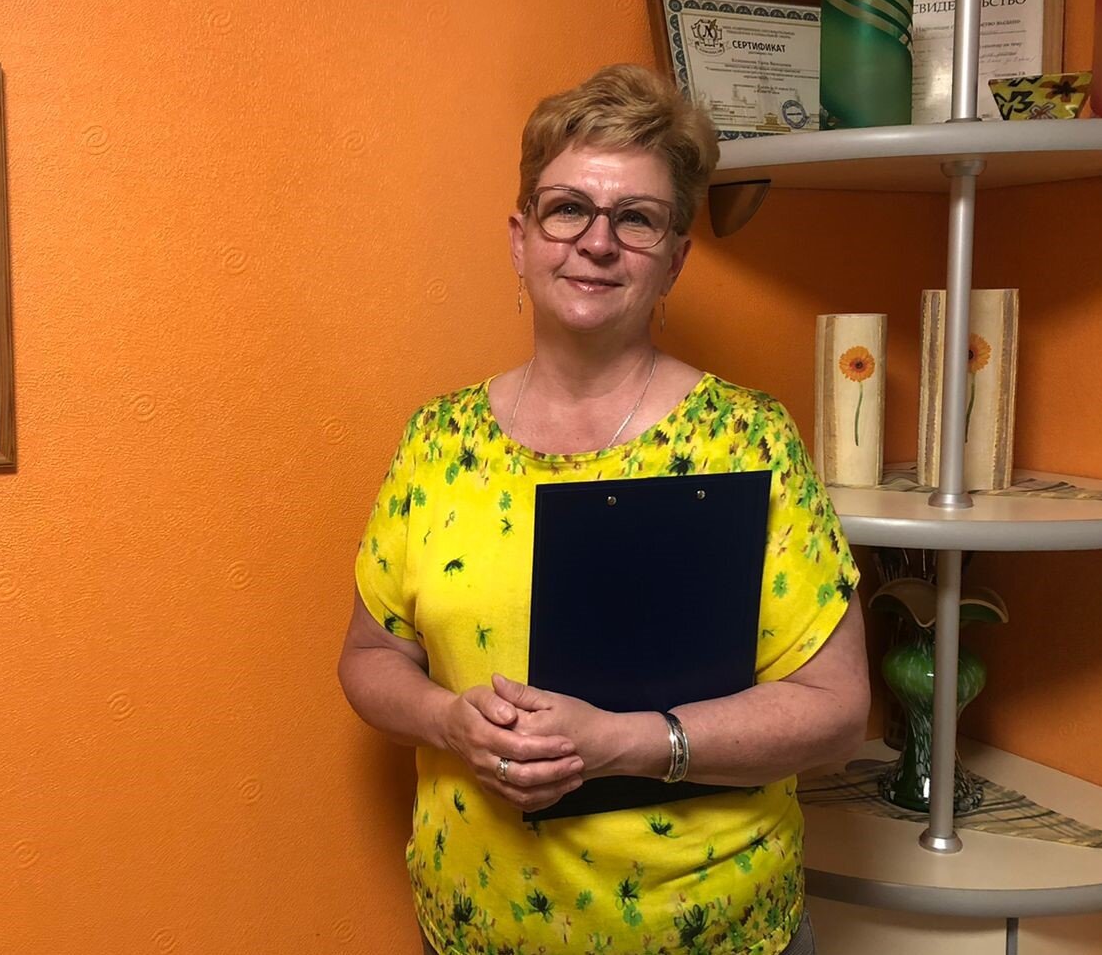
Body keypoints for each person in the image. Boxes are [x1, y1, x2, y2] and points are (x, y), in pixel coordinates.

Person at [338, 64, 868, 955]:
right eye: (567, 209)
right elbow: (368, 657)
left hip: (713, 932)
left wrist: (625, 742)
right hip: (474, 929)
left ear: (675, 258)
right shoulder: (438, 439)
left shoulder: (746, 439)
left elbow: (837, 707)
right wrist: (447, 720)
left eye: (636, 218)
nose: (597, 241)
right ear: (520, 239)